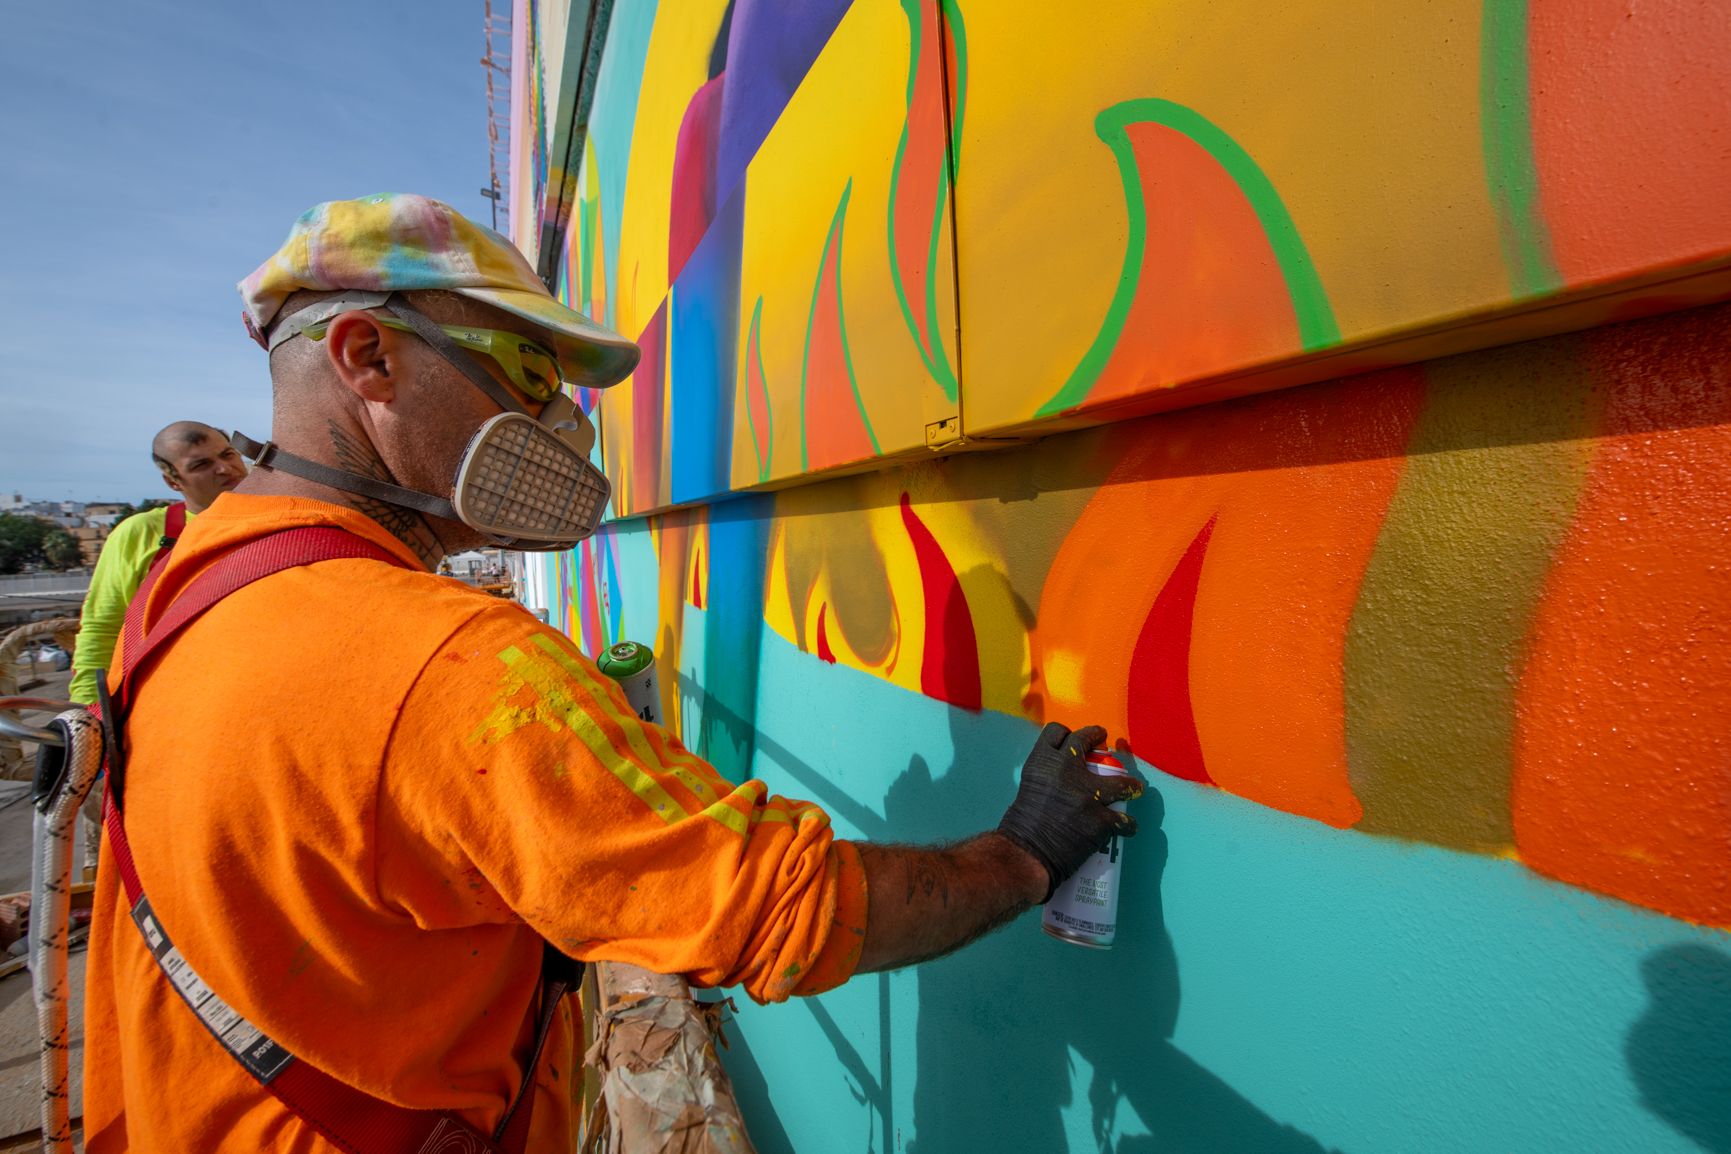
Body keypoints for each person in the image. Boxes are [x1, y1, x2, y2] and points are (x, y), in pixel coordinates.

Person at [83, 194, 1140, 1152]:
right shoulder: (454, 663)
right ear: (367, 357)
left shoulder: (180, 592)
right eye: (531, 377)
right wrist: (1023, 853)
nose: (560, 429)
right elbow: (783, 910)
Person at [67, 422, 247, 705]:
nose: (225, 469)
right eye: (201, 465)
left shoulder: (285, 518)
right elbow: (102, 626)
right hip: (169, 700)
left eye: (227, 455)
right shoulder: (142, 534)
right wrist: (89, 709)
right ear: (173, 481)